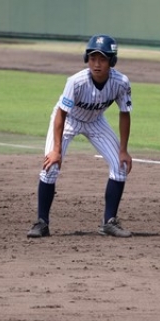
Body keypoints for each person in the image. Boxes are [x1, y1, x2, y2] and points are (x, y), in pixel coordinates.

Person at [27, 34, 134, 238]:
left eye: (102, 59)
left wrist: (123, 150)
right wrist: (56, 150)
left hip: (96, 121)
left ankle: (109, 222)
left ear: (112, 61)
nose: (97, 64)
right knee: (51, 166)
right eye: (93, 58)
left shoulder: (121, 82)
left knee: (120, 166)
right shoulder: (76, 82)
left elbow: (125, 113)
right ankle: (42, 223)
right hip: (68, 120)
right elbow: (61, 114)